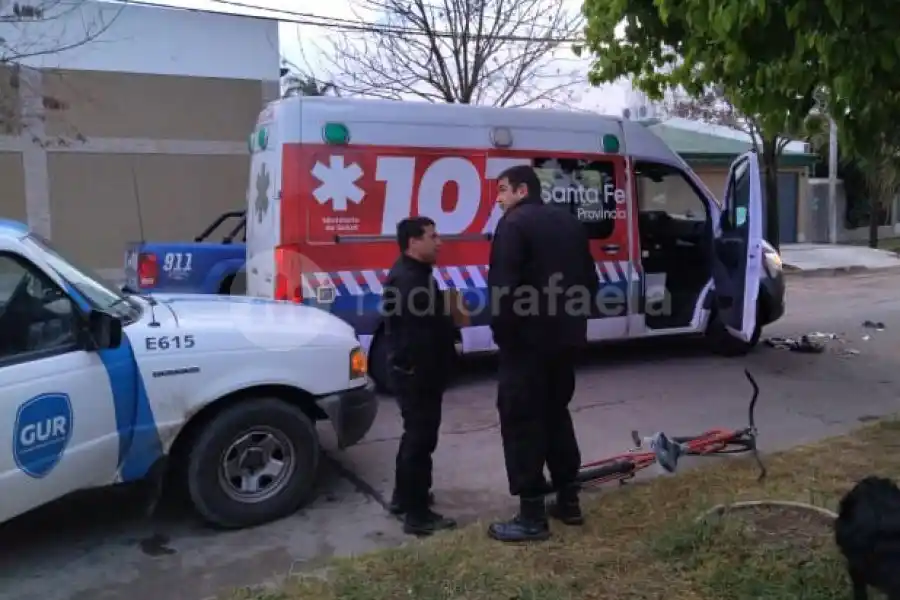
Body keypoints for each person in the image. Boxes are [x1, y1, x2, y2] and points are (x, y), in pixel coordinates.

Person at [486, 164, 600, 543]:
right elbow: (590, 282)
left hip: (526, 345)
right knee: (556, 417)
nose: (498, 199)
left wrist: (505, 338)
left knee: (521, 423)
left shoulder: (514, 225)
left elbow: (503, 289)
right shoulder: (568, 223)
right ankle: (569, 502)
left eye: (502, 190)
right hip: (565, 342)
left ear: (521, 190)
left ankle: (531, 516)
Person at [381, 216, 458, 536]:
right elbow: (417, 337)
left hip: (415, 373)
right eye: (432, 236)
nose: (439, 241)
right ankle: (418, 514)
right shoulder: (410, 280)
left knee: (413, 436)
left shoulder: (415, 274)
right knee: (421, 441)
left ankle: (403, 497)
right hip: (418, 376)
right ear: (413, 242)